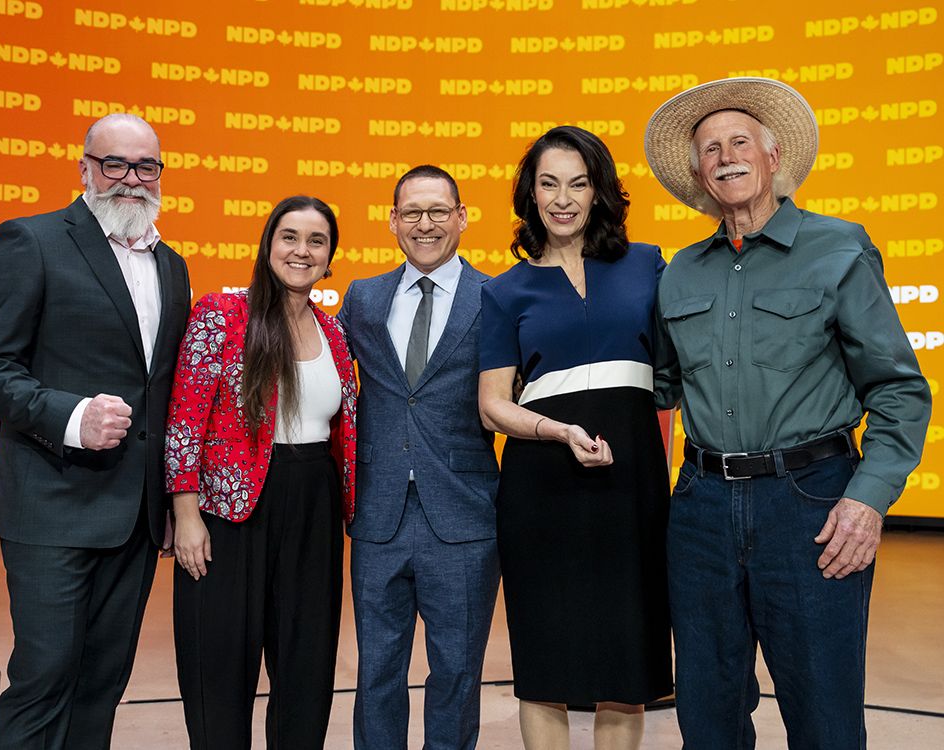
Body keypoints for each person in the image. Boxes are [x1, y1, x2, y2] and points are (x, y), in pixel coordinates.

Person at [645, 77, 932, 749]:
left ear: (775, 156)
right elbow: (655, 389)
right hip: (701, 509)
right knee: (707, 718)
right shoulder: (678, 273)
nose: (725, 157)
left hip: (811, 506)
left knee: (824, 717)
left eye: (739, 141)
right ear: (698, 173)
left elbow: (898, 389)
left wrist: (867, 500)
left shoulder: (840, 249)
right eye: (709, 149)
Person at [0, 114, 191, 750]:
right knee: (45, 676)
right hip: (51, 504)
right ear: (84, 168)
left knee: (102, 682)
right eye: (114, 163)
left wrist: (175, 497)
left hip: (136, 517)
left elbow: (164, 393)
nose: (130, 179)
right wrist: (71, 417)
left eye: (146, 166)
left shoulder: (172, 266)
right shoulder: (30, 241)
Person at [477, 125, 673, 750]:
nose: (563, 198)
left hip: (632, 482)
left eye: (578, 183)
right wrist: (559, 432)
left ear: (600, 192)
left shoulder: (647, 264)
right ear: (529, 195)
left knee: (628, 660)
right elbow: (491, 407)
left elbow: (674, 372)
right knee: (545, 664)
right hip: (540, 490)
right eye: (548, 184)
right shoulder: (504, 290)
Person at [164, 195, 357, 749]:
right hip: (228, 512)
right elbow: (184, 420)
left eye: (316, 241)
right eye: (289, 237)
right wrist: (186, 513)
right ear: (268, 244)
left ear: (330, 256)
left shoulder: (335, 335)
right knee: (220, 665)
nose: (302, 250)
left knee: (306, 663)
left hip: (314, 506)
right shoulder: (220, 315)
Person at [337, 165, 500, 750]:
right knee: (377, 673)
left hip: (464, 518)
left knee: (456, 671)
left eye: (437, 211)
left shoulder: (498, 296)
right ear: (392, 222)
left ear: (461, 217)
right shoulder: (363, 297)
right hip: (378, 516)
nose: (425, 224)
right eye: (412, 213)